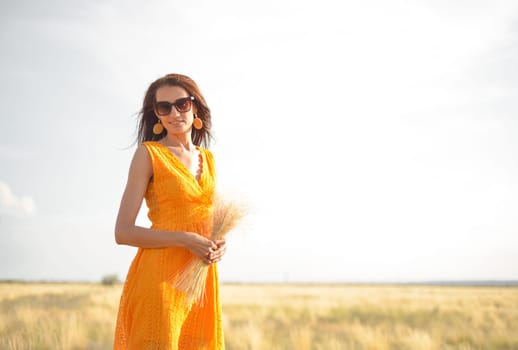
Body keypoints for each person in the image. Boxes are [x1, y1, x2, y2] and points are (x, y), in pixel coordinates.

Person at [113, 73, 226, 349]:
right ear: (157, 115)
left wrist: (218, 244)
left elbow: (204, 218)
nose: (174, 113)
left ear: (195, 106)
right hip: (160, 280)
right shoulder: (149, 154)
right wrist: (185, 239)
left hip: (200, 281)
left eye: (181, 104)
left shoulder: (208, 160)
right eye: (164, 107)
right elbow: (123, 232)